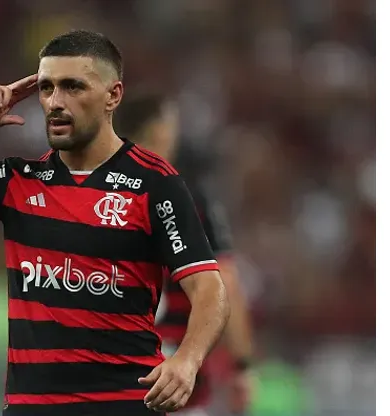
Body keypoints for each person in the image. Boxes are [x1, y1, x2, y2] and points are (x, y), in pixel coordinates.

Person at [0, 30, 230, 416]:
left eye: (73, 87)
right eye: (46, 88)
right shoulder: (17, 180)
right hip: (32, 407)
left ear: (113, 95)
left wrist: (187, 360)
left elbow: (210, 289)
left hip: (122, 404)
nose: (55, 102)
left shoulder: (154, 183)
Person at [114, 91, 255, 416]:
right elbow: (226, 283)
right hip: (175, 380)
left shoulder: (88, 193)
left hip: (109, 380)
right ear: (160, 131)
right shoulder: (191, 199)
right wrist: (242, 365)